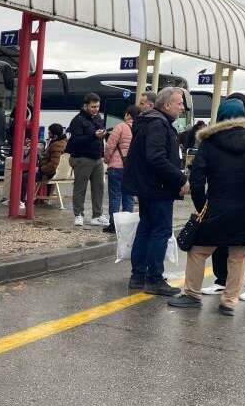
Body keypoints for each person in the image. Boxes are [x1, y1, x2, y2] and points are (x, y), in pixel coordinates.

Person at [167, 99, 245, 315]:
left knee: (198, 250)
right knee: (238, 254)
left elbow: (197, 181)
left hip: (216, 205)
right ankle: (229, 301)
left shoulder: (209, 142)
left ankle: (192, 294)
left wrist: (201, 207)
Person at [123, 87, 189, 296]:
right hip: (158, 187)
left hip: (147, 187)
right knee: (160, 231)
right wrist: (180, 178)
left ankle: (138, 276)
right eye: (179, 103)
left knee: (146, 229)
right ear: (167, 105)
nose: (182, 107)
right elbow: (156, 158)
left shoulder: (150, 122)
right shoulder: (159, 125)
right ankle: (154, 279)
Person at [65, 93, 107, 227]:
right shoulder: (78, 120)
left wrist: (102, 135)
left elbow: (99, 133)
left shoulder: (98, 118)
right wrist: (94, 136)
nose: (96, 109)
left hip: (97, 158)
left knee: (99, 188)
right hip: (82, 158)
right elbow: (76, 140)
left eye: (98, 106)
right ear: (85, 106)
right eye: (93, 106)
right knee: (80, 188)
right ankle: (78, 214)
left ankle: (97, 215)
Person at [102, 105, 139, 233]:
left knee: (115, 196)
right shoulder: (140, 128)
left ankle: (114, 225)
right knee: (128, 197)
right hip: (132, 168)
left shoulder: (120, 127)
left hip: (117, 166)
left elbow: (110, 145)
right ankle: (127, 226)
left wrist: (107, 160)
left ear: (128, 114)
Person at [18, 123, 68, 210]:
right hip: (55, 172)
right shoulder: (63, 142)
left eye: (49, 133)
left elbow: (53, 165)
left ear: (55, 135)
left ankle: (22, 201)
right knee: (28, 173)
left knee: (25, 176)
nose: (48, 134)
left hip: (49, 172)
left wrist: (40, 169)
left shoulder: (56, 145)